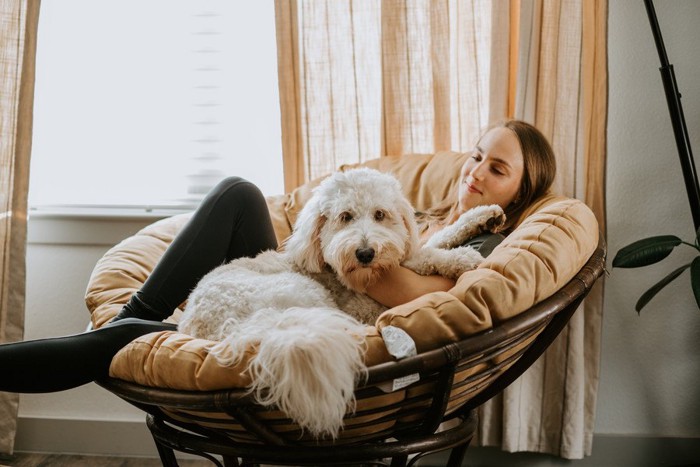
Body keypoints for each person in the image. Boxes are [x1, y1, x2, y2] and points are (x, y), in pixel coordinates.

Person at [0, 119, 556, 394]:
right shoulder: (421, 208)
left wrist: (355, 254)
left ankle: (133, 327)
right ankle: (140, 318)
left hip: (321, 304)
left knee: (118, 340)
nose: (476, 171)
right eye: (477, 156)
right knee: (239, 194)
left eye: (497, 169)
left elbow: (415, 295)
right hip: (298, 281)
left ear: (522, 190)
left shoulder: (485, 240)